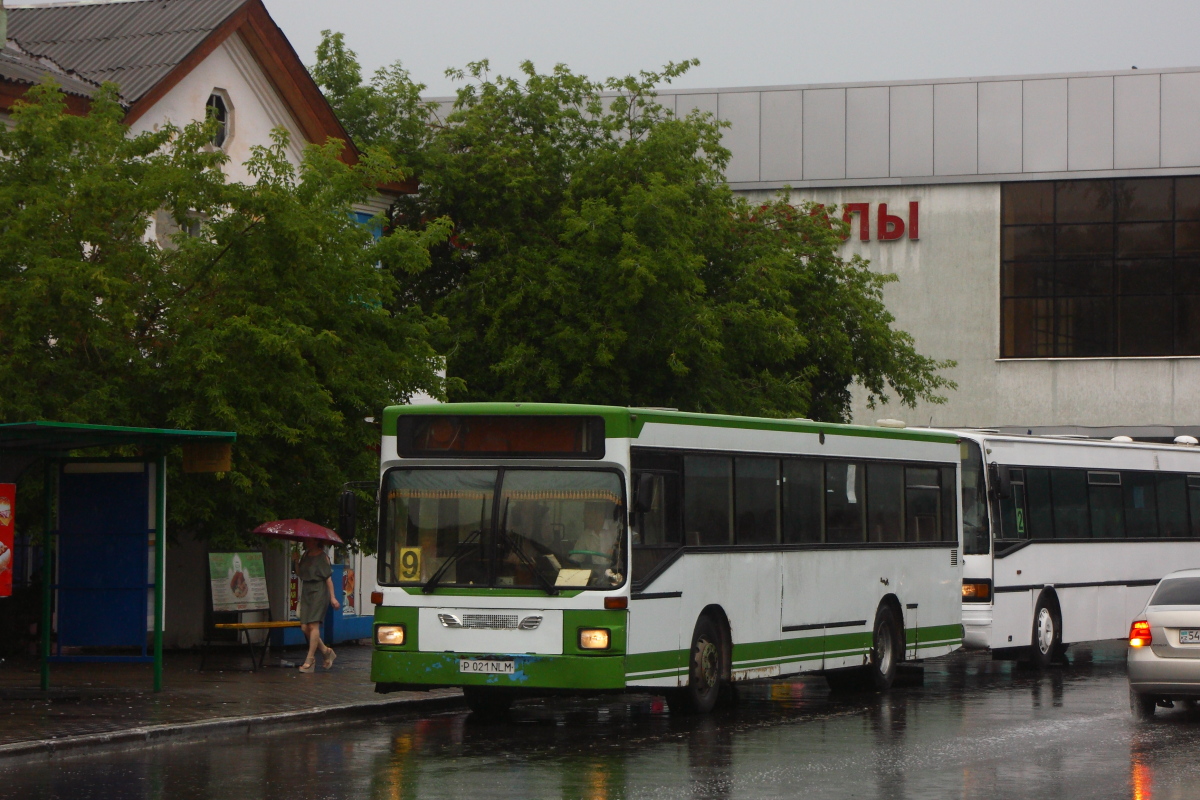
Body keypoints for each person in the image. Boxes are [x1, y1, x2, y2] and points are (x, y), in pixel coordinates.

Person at [295, 538, 339, 673]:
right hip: (307, 591)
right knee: (304, 627)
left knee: (313, 625)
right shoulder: (305, 555)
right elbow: (300, 574)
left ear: (316, 541)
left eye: (309, 540)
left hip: (319, 591)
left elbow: (328, 579)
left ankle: (310, 659)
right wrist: (296, 561)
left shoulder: (323, 557)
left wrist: (332, 597)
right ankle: (326, 651)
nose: (306, 542)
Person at [571, 501, 621, 584]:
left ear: (598, 515)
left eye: (586, 515)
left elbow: (634, 537)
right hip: (597, 576)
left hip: (617, 573)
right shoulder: (586, 535)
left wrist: (618, 548)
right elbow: (576, 558)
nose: (583, 519)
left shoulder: (615, 527)